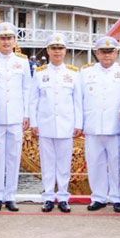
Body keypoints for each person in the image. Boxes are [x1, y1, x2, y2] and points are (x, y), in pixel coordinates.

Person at [74, 35, 120, 213]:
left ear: (116, 53)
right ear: (96, 53)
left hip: (116, 126)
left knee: (117, 164)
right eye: (103, 52)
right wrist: (79, 124)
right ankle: (98, 197)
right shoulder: (85, 73)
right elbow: (78, 100)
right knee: (95, 163)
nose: (107, 55)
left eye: (110, 52)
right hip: (93, 125)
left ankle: (117, 197)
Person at [0, 22, 32, 211]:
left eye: (9, 38)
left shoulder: (23, 62)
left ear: (14, 41)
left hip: (17, 116)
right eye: (2, 38)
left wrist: (27, 114)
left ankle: (11, 195)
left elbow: (27, 89)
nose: (6, 41)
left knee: (13, 156)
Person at [29, 33, 79, 213]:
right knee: (48, 163)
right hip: (45, 124)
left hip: (66, 125)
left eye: (60, 48)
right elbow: (33, 100)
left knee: (65, 164)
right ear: (48, 51)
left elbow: (77, 101)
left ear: (65, 51)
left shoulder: (73, 73)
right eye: (54, 48)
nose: (57, 51)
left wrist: (78, 124)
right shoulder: (40, 73)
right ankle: (49, 197)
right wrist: (34, 122)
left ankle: (64, 196)